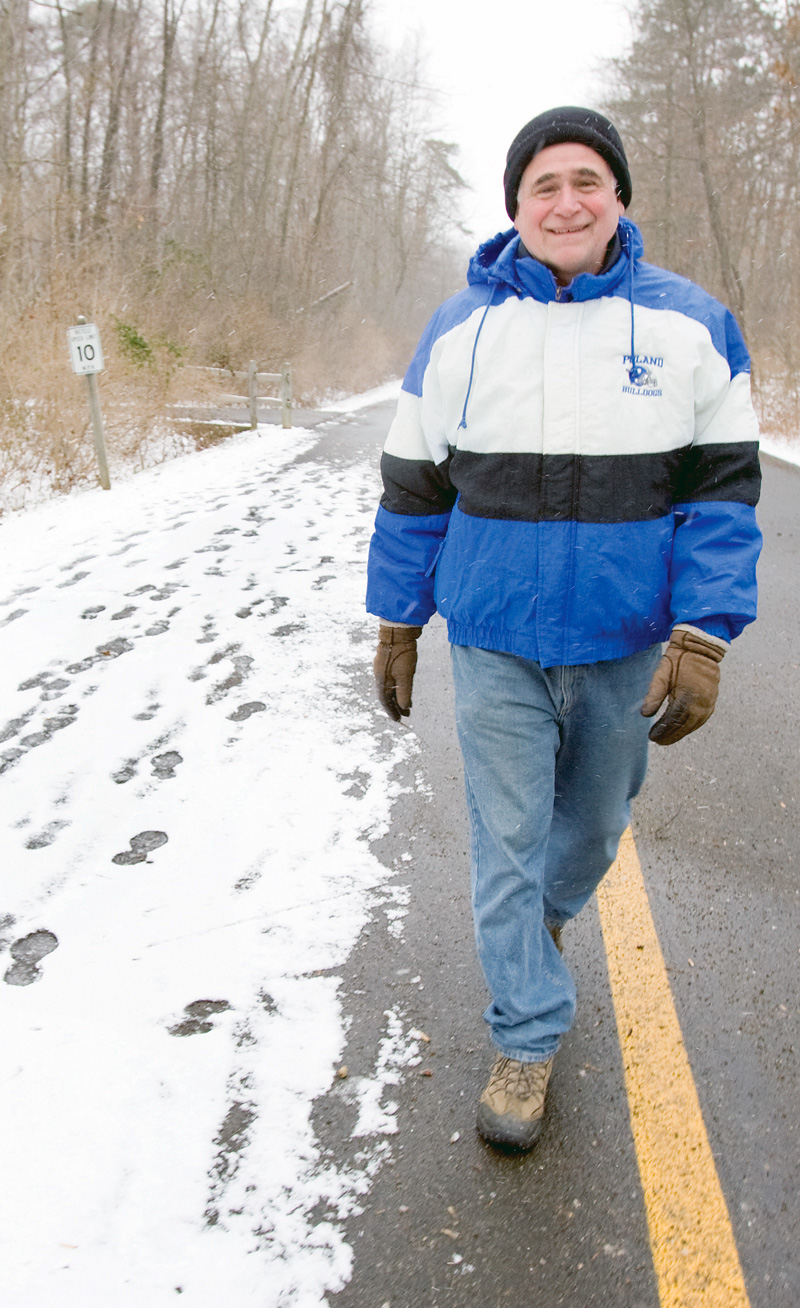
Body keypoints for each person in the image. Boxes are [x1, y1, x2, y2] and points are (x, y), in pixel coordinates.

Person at [366, 106, 761, 1151]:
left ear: (616, 198)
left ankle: (537, 935)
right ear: (515, 207)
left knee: (584, 836)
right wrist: (398, 620)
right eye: (541, 184)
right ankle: (526, 1036)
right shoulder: (459, 327)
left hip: (624, 645)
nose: (564, 200)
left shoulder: (690, 325)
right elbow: (411, 487)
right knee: (504, 842)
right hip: (492, 641)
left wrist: (703, 632)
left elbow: (721, 496)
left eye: (584, 179)